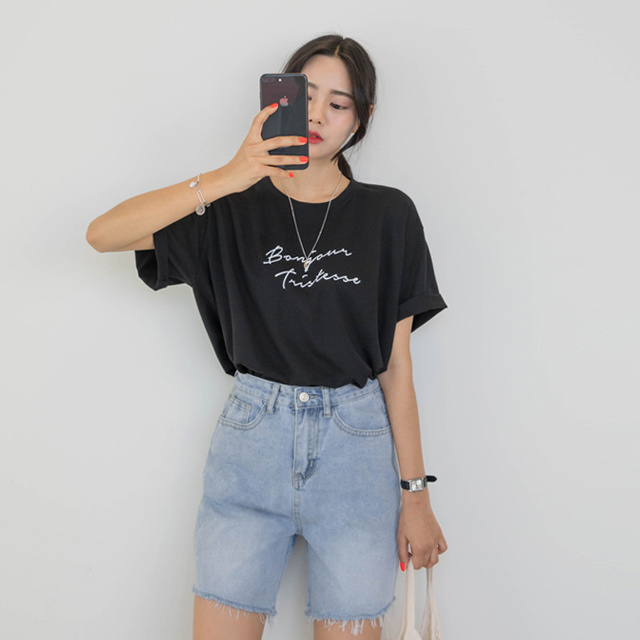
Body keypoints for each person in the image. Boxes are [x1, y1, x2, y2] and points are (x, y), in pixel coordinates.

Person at [86, 34, 449, 640]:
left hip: (356, 454)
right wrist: (229, 176)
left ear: (361, 119)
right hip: (252, 445)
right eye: (305, 96)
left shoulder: (389, 215)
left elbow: (396, 366)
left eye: (338, 104)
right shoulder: (232, 208)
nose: (317, 115)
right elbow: (103, 234)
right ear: (277, 99)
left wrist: (416, 496)